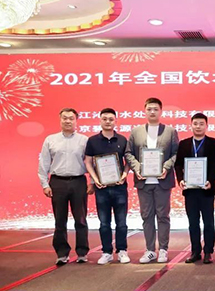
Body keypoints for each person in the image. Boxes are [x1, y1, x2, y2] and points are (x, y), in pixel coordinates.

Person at [125, 98, 179, 264]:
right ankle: (149, 250)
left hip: (162, 181)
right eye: (149, 109)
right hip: (143, 182)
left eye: (155, 109)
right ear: (145, 111)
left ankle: (163, 249)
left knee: (163, 216)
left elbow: (176, 153)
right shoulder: (136, 132)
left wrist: (166, 167)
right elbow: (128, 153)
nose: (152, 112)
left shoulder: (170, 131)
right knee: (146, 216)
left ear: (161, 111)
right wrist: (137, 168)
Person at [38, 108, 94, 265]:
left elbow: (90, 163)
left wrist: (92, 182)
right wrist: (45, 184)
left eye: (71, 118)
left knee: (80, 219)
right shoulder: (51, 140)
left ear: (76, 121)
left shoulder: (84, 140)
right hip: (58, 182)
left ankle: (82, 252)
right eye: (64, 118)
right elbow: (44, 163)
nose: (68, 121)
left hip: (78, 182)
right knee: (60, 220)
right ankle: (62, 253)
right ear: (60, 119)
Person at [84, 108, 131, 264]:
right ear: (100, 120)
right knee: (104, 223)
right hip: (102, 188)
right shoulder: (92, 141)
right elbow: (88, 162)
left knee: (121, 223)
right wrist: (95, 178)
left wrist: (124, 175)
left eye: (111, 119)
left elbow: (128, 161)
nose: (108, 122)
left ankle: (122, 251)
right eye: (104, 119)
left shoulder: (122, 140)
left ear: (115, 121)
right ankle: (106, 252)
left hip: (119, 187)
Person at [174, 113, 215, 264]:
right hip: (190, 190)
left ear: (206, 126)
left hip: (206, 188)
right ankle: (195, 251)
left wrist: (210, 180)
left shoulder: (214, 143)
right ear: (191, 125)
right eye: (195, 123)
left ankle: (208, 251)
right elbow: (178, 165)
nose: (198, 126)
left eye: (201, 124)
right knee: (193, 222)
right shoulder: (184, 144)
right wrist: (180, 180)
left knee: (208, 222)